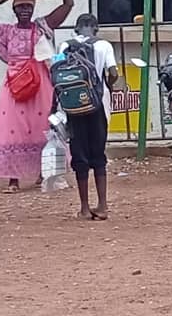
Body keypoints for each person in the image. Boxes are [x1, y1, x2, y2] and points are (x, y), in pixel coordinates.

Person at [0, 0, 74, 192]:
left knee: (43, 129)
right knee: (12, 130)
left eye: (28, 6)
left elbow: (68, 4)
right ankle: (13, 179)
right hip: (14, 87)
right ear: (14, 10)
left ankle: (43, 172)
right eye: (21, 7)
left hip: (41, 86)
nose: (25, 10)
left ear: (33, 9)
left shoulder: (42, 26)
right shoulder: (7, 31)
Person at [57, 14, 118, 220]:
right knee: (98, 155)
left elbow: (57, 73)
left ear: (76, 29)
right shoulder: (104, 45)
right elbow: (113, 72)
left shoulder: (65, 45)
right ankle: (102, 206)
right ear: (96, 28)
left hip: (72, 107)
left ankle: (83, 208)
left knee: (79, 155)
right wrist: (108, 84)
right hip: (97, 105)